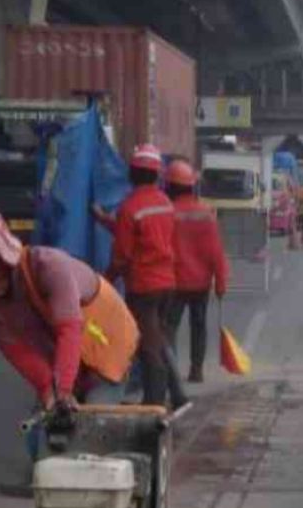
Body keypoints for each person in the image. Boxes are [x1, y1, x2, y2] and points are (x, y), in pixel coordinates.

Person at [0, 198, 137, 411]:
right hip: (65, 355)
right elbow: (18, 352)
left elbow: (69, 330)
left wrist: (62, 391)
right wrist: (47, 389)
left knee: (91, 426)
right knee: (49, 427)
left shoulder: (49, 267)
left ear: (2, 252)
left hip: (107, 343)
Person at [95, 144, 187, 408]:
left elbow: (123, 253)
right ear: (157, 175)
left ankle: (154, 402)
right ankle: (178, 395)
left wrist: (105, 280)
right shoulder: (165, 204)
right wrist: (106, 221)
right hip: (167, 283)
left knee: (148, 346)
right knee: (158, 337)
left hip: (144, 286)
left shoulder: (130, 207)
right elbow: (149, 236)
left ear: (132, 174)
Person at [165, 159, 229, 383]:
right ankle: (196, 370)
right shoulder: (206, 214)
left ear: (170, 186)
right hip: (200, 283)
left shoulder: (166, 212)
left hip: (174, 283)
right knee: (199, 326)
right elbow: (216, 253)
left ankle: (170, 372)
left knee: (169, 328)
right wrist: (220, 283)